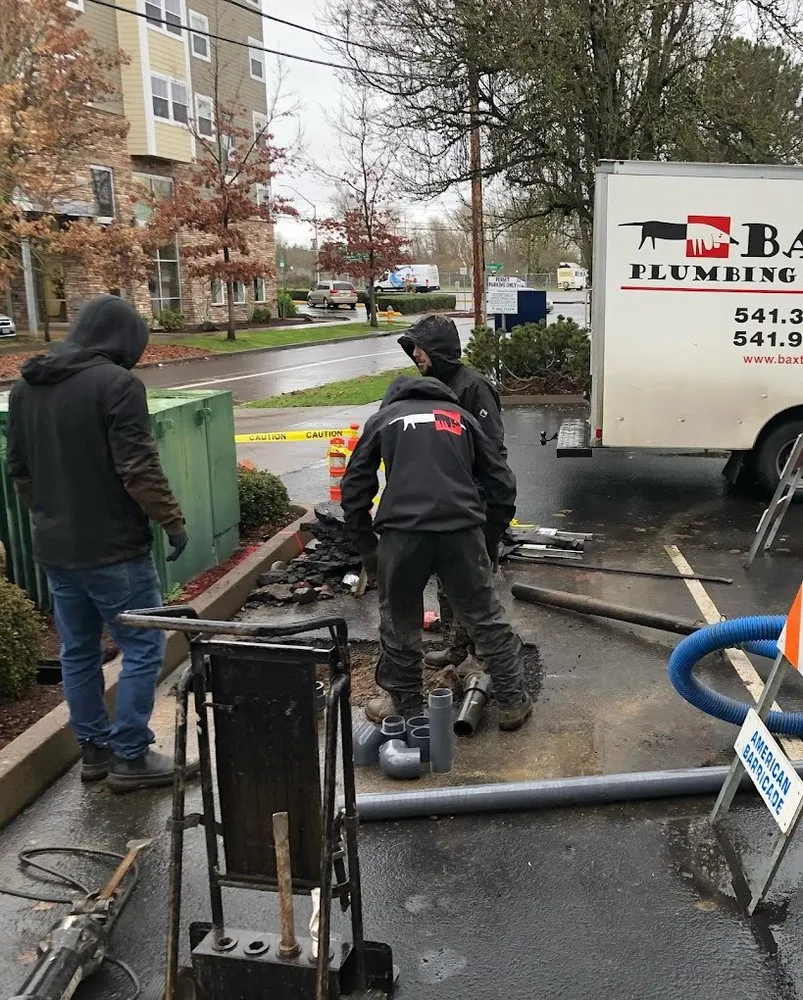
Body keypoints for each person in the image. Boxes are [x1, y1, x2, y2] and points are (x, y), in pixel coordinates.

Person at [7, 295, 190, 792]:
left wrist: (50, 517)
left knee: (79, 651)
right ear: (120, 339)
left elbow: (19, 470)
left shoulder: (25, 389)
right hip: (114, 549)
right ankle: (131, 756)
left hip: (57, 548)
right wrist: (172, 521)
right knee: (144, 645)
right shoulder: (117, 385)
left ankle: (94, 751)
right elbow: (138, 466)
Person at [340, 374, 532, 731]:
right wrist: (490, 536)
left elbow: (354, 487)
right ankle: (511, 702)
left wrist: (367, 547)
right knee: (484, 615)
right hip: (460, 532)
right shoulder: (463, 419)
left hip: (403, 535)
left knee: (399, 623)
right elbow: (501, 481)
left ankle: (408, 710)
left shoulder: (384, 419)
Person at [398, 314, 508, 670]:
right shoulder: (430, 389)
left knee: (474, 589)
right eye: (412, 348)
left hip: (471, 505)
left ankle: (485, 662)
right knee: (446, 582)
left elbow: (492, 452)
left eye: (419, 347)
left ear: (438, 349)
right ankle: (456, 648)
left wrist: (486, 507)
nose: (415, 354)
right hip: (440, 504)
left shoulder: (472, 387)